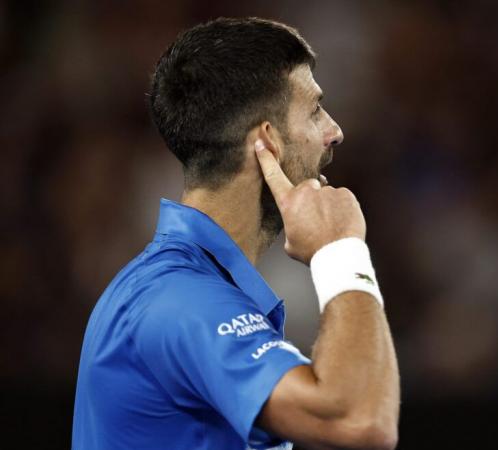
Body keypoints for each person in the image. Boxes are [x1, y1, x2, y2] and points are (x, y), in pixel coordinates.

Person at [71, 17, 400, 450]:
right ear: (268, 142)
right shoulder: (178, 300)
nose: (334, 131)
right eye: (316, 110)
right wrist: (342, 253)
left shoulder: (192, 289)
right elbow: (359, 420)